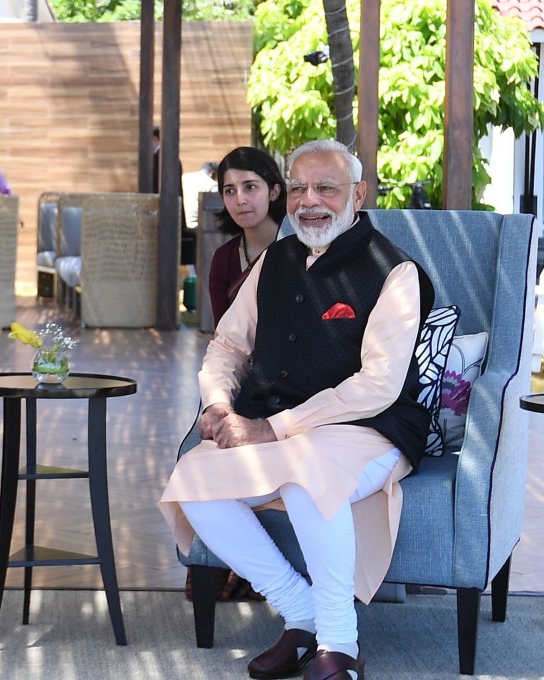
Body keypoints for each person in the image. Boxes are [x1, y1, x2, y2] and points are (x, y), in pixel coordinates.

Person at [160, 139, 434, 680]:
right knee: (192, 478)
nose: (311, 201)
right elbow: (229, 345)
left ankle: (340, 645)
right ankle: (299, 611)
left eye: (326, 188)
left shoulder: (395, 272)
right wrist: (217, 402)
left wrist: (271, 427)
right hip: (279, 431)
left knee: (308, 479)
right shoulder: (275, 260)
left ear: (358, 194)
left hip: (367, 431)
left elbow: (378, 385)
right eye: (301, 188)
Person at [208, 147, 287, 326]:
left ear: (274, 192)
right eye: (230, 191)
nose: (240, 200)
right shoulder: (223, 259)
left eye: (250, 187)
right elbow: (223, 335)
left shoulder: (300, 249)